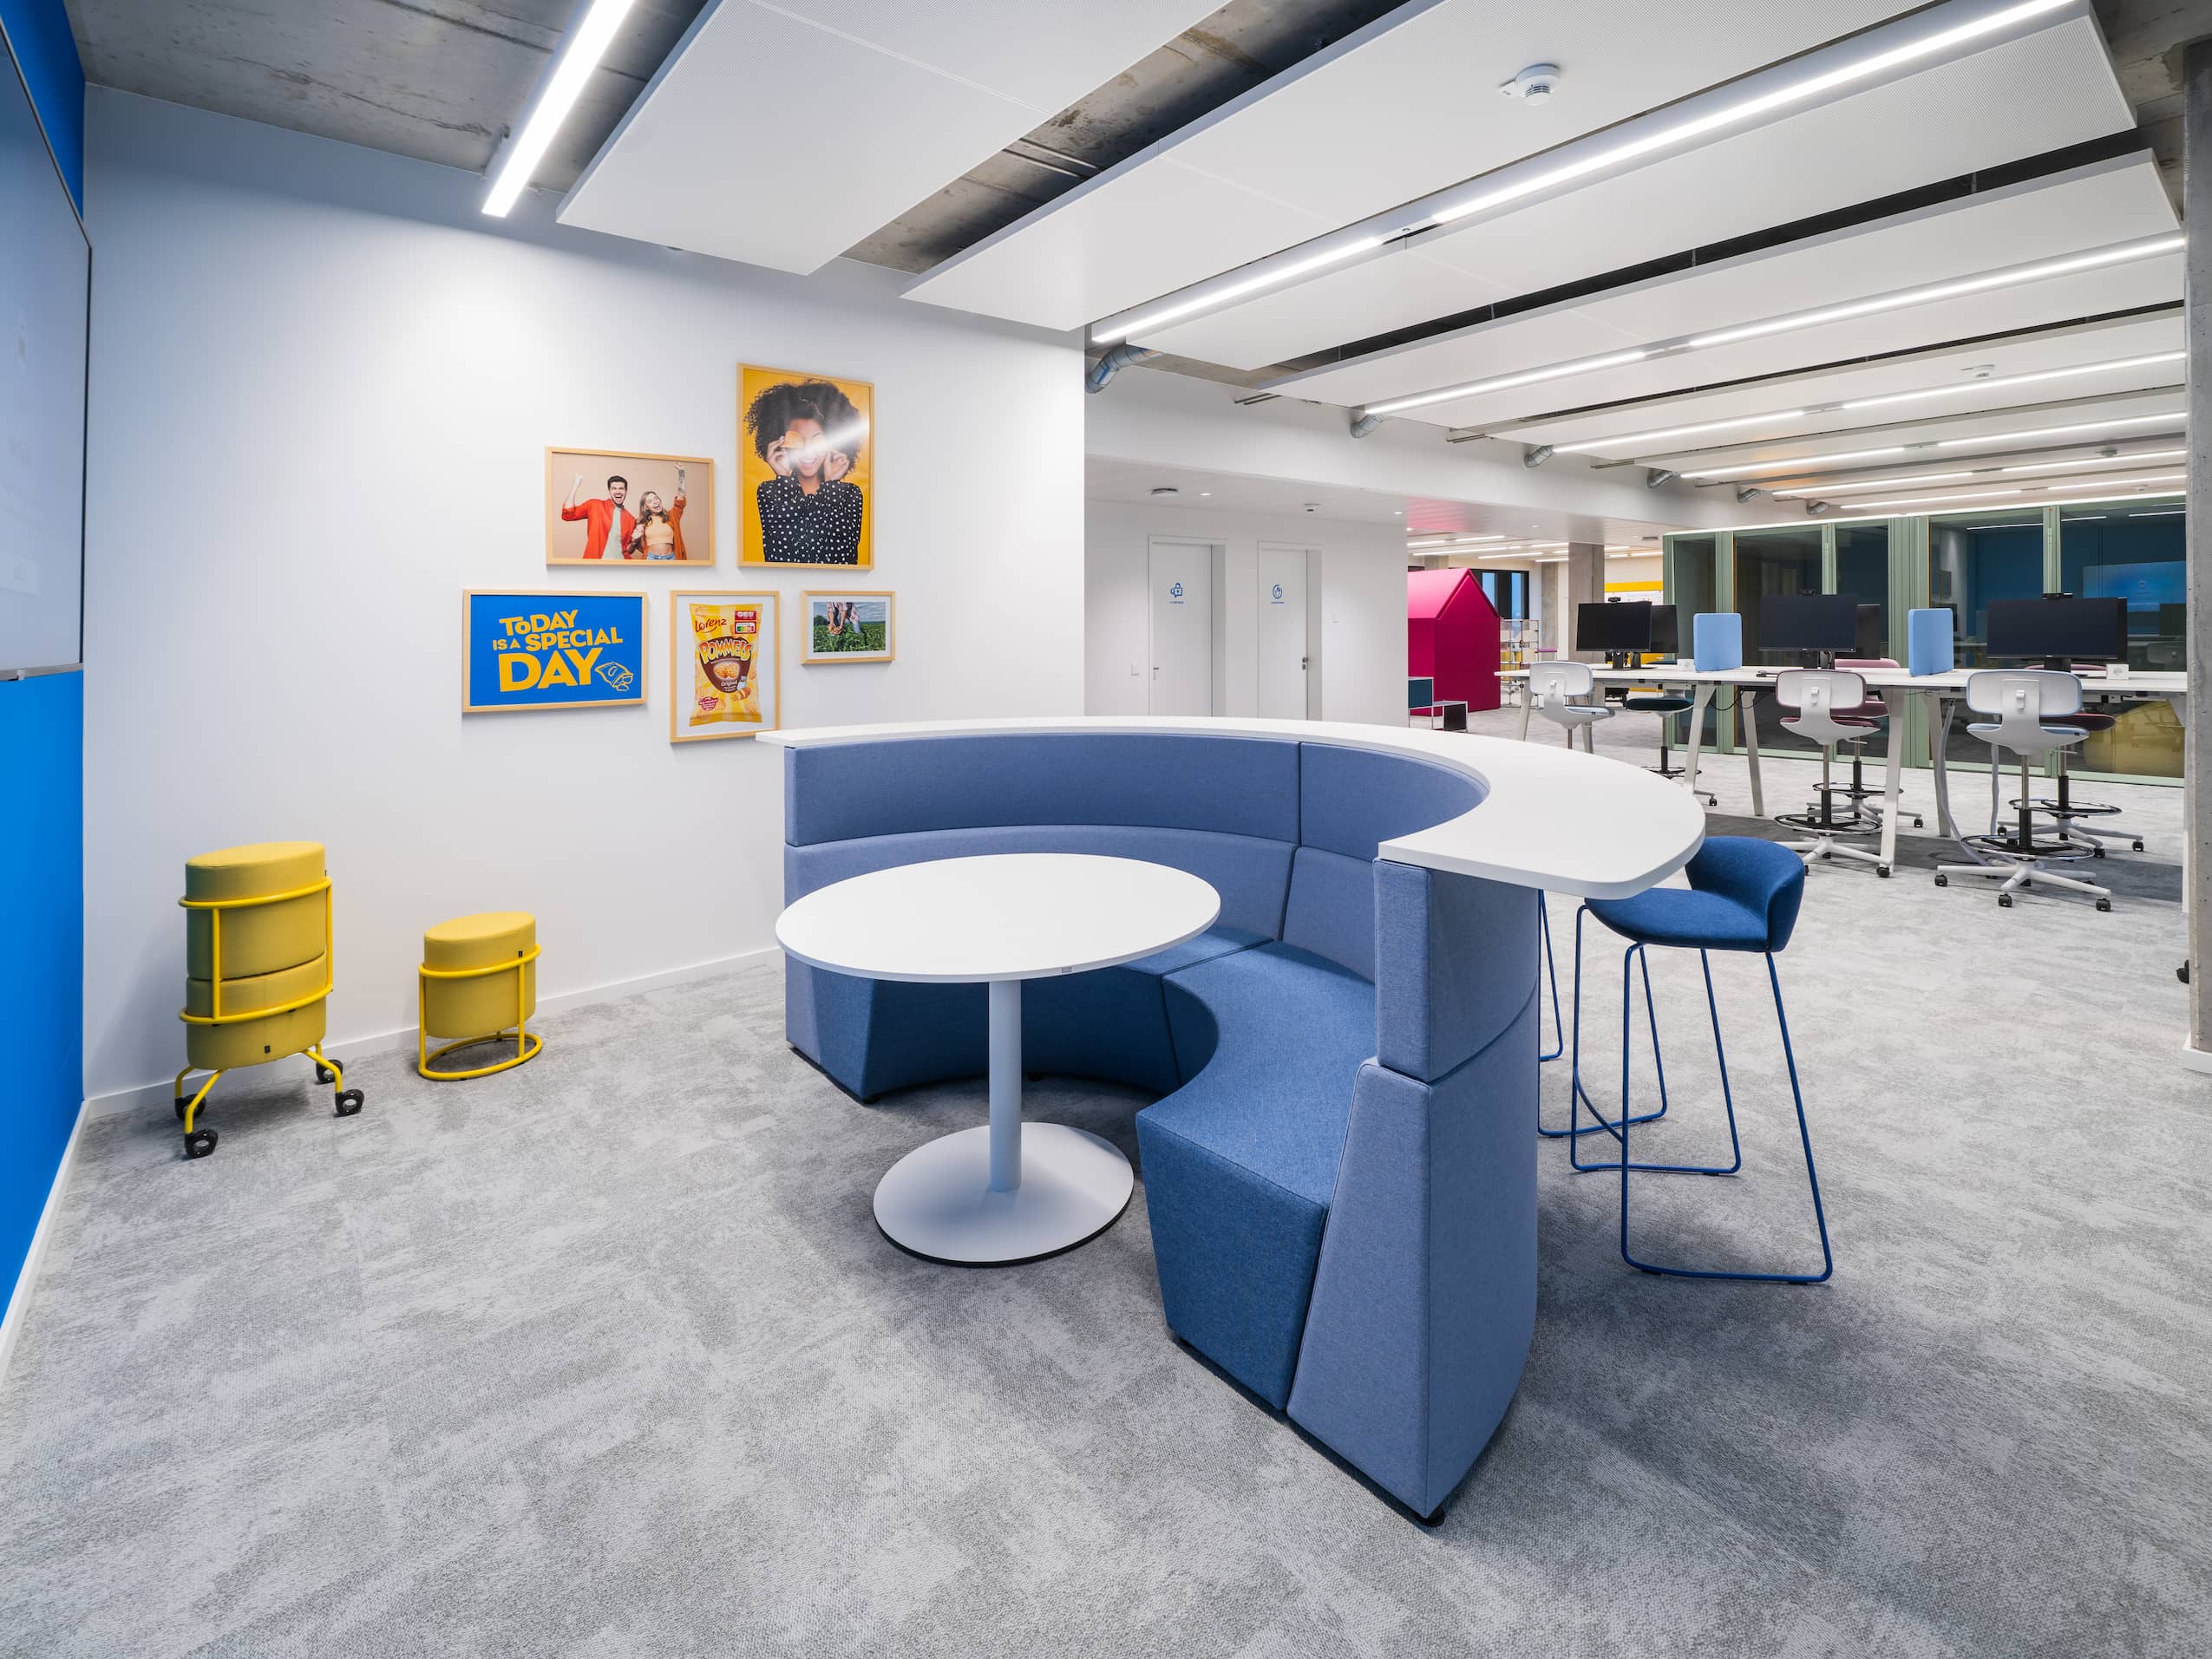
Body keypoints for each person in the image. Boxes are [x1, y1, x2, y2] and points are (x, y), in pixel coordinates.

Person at [745, 381, 865, 564]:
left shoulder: (850, 494)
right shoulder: (769, 491)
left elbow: (839, 557)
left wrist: (831, 487)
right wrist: (784, 480)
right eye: (797, 440)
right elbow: (784, 555)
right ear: (780, 443)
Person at [561, 472, 635, 561]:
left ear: (626, 492)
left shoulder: (631, 519)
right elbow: (568, 515)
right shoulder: (595, 505)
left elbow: (628, 550)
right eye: (614, 488)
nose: (618, 491)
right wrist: (575, 486)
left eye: (621, 488)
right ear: (609, 491)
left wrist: (635, 541)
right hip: (596, 564)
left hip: (621, 565)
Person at [627, 471, 690, 561]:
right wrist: (636, 539)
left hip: (671, 558)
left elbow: (681, 495)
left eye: (656, 498)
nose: (655, 502)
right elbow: (640, 547)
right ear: (646, 507)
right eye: (650, 501)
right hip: (651, 558)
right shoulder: (642, 523)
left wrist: (682, 473)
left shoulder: (672, 515)